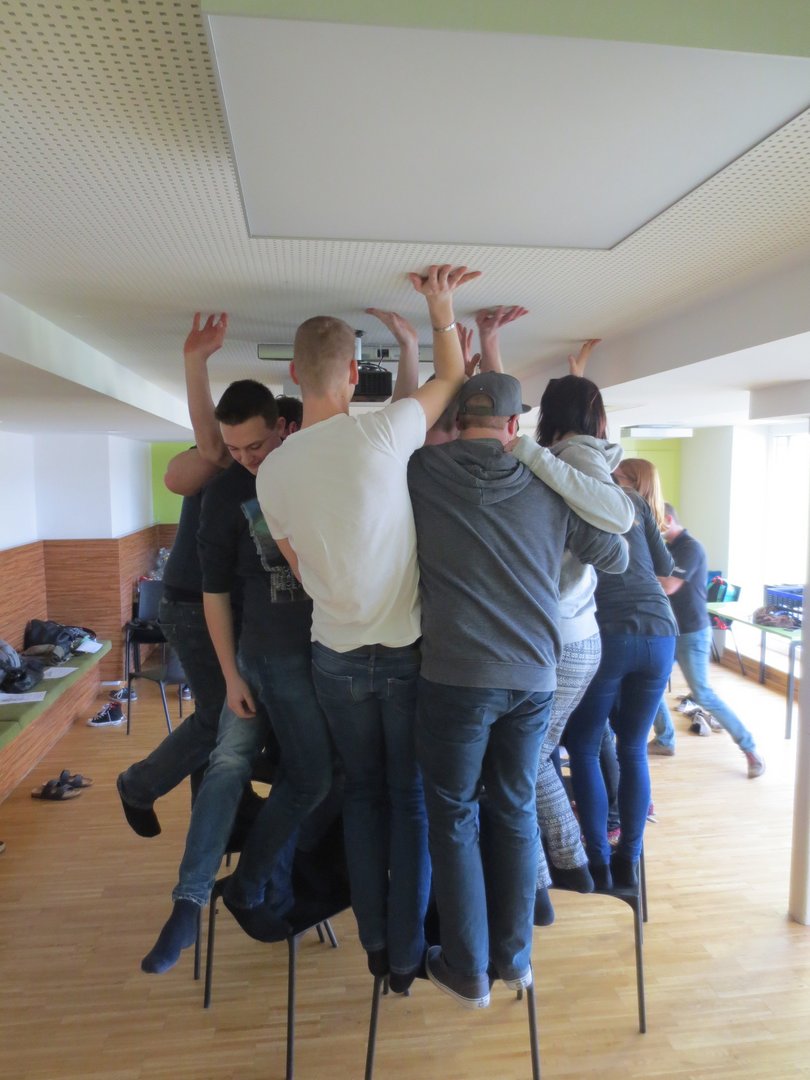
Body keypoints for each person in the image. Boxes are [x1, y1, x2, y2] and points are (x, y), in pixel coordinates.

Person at [256, 263, 480, 991]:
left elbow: (296, 565)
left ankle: (376, 945)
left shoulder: (271, 473)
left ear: (294, 374)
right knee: (408, 800)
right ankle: (407, 958)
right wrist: (440, 308)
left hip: (336, 658)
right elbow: (453, 378)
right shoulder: (386, 431)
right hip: (407, 653)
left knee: (361, 795)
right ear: (354, 374)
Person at [407, 370, 628, 1008]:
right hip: (533, 677)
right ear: (513, 425)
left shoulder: (422, 470)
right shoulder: (547, 482)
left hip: (456, 677)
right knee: (513, 808)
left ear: (455, 420)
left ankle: (468, 968)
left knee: (454, 816)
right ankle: (514, 960)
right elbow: (615, 557)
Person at [141, 379, 333, 974]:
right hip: (263, 655)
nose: (246, 459)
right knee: (235, 764)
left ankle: (246, 887)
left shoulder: (314, 472)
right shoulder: (225, 492)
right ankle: (197, 899)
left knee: (297, 773)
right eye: (234, 448)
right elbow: (214, 593)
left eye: (256, 445)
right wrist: (230, 677)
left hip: (314, 658)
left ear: (284, 429)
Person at [507, 372, 634, 895]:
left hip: (563, 633)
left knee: (530, 759)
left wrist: (531, 454)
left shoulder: (574, 452)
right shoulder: (571, 454)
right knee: (536, 755)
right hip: (575, 632)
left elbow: (620, 515)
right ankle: (564, 868)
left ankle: (563, 869)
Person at [117, 314, 233, 836]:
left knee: (226, 714)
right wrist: (195, 361)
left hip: (217, 604)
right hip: (190, 603)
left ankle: (217, 814)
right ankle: (139, 784)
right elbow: (207, 446)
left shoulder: (268, 468)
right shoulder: (218, 458)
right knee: (218, 714)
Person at [565, 459, 677, 891]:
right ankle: (629, 857)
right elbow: (665, 564)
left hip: (611, 632)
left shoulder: (571, 498)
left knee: (584, 744)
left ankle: (597, 860)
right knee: (633, 748)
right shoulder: (632, 500)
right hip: (661, 631)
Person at [650, 501, 765, 778]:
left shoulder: (691, 548)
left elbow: (669, 586)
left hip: (692, 632)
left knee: (702, 694)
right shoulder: (668, 548)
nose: (653, 528)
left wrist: (641, 575)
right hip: (669, 631)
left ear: (667, 519)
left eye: (655, 522)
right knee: (651, 687)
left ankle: (750, 749)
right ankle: (665, 740)